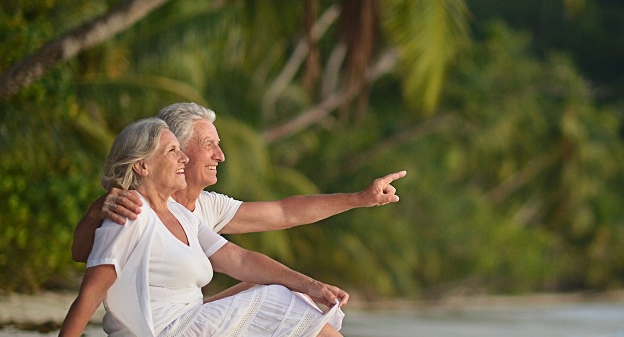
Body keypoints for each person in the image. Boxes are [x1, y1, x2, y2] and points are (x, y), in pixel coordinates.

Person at [13, 118, 443, 337]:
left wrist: (309, 284)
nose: (187, 158)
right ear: (142, 166)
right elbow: (89, 292)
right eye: (176, 151)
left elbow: (239, 258)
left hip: (178, 334)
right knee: (279, 302)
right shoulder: (128, 214)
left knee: (285, 295)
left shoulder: (183, 211)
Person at [71, 102, 407, 262]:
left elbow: (284, 213)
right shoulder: (139, 204)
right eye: (209, 145)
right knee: (283, 298)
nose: (221, 156)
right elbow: (83, 256)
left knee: (286, 296)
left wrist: (359, 198)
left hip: (186, 319)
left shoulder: (207, 206)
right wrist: (95, 213)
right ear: (178, 148)